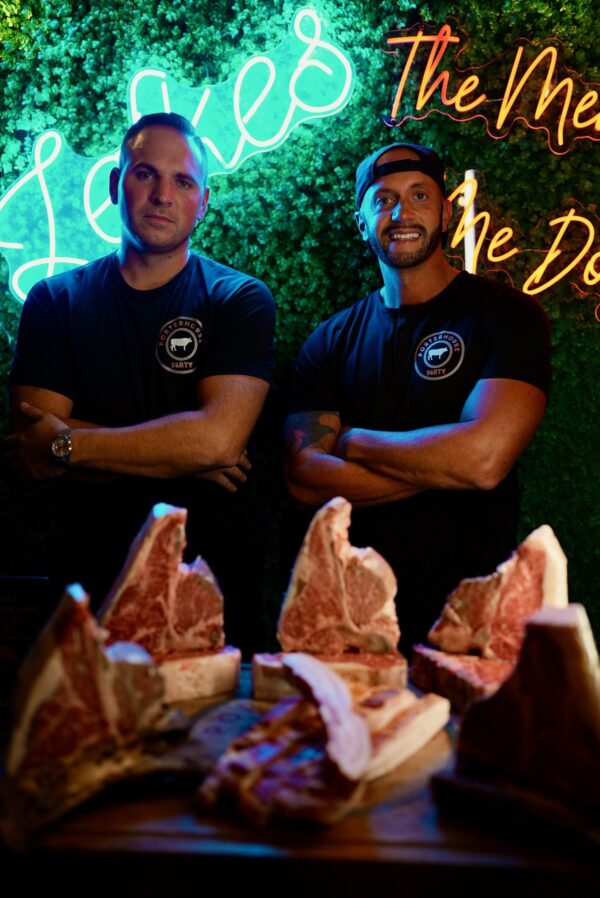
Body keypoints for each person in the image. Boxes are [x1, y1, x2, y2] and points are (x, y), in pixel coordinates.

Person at [6, 112, 276, 655]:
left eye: (184, 182)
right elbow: (35, 447)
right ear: (115, 184)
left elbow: (218, 441)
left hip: (208, 591)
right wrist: (185, 455)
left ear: (203, 202)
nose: (163, 195)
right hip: (88, 587)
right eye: (145, 173)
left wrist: (70, 444)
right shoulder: (54, 301)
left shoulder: (239, 299)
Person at [283, 142, 551, 655]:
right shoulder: (330, 340)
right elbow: (303, 479)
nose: (401, 213)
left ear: (445, 212)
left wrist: (355, 442)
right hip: (349, 622)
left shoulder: (507, 316)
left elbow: (484, 460)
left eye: (419, 195)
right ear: (362, 222)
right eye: (383, 200)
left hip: (465, 621)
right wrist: (444, 466)